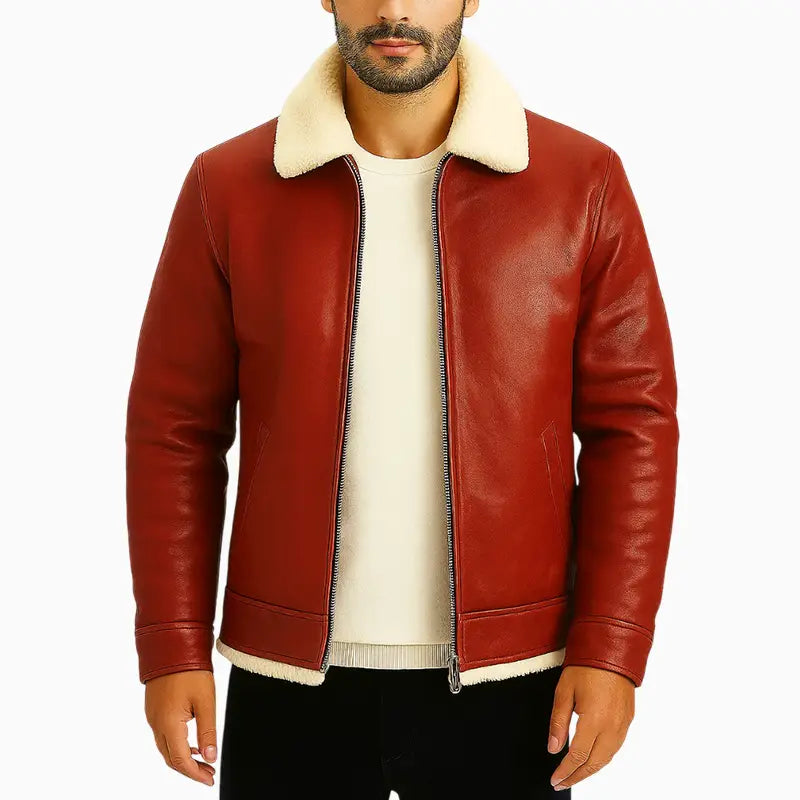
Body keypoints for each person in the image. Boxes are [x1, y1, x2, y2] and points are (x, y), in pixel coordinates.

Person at [125, 1, 679, 797]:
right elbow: (173, 429)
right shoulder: (229, 185)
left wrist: (612, 646)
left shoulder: (580, 180)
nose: (393, 9)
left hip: (516, 677)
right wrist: (173, 644)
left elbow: (634, 425)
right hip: (287, 678)